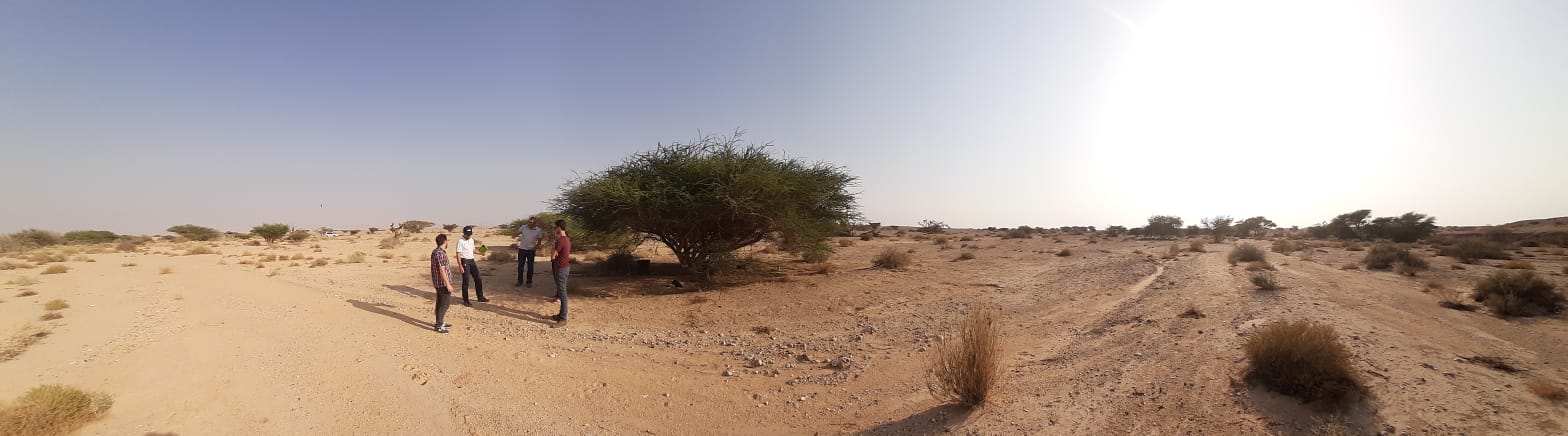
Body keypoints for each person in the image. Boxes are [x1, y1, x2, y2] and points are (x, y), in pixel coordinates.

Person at [456, 225, 487, 305]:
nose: (469, 235)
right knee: (466, 281)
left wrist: (480, 253)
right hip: (464, 261)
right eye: (467, 234)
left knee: (478, 279)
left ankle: (480, 297)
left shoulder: (472, 240)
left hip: (472, 261)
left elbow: (473, 250)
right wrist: (460, 265)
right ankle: (465, 300)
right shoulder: (460, 241)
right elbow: (458, 253)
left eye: (470, 234)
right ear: (464, 233)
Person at [430, 234, 454, 333]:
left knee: (440, 302)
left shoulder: (436, 252)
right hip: (442, 283)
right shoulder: (440, 253)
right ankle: (439, 325)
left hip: (438, 282)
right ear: (445, 241)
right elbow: (442, 269)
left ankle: (439, 321)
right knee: (445, 304)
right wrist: (447, 284)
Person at [549, 219, 571, 325]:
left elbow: (553, 255)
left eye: (555, 227)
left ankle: (563, 318)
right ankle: (561, 315)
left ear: (558, 227)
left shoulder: (560, 240)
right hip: (564, 267)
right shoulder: (566, 239)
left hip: (561, 268)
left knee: (562, 293)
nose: (554, 229)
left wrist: (552, 253)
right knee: (562, 292)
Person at [515, 217, 544, 287]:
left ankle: (529, 282)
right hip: (522, 249)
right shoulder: (523, 227)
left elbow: (539, 241)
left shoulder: (538, 230)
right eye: (529, 222)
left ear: (535, 223)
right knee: (520, 266)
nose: (529, 224)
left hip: (531, 251)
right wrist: (515, 234)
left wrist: (535, 247)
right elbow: (516, 233)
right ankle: (519, 281)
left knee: (530, 267)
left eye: (531, 222)